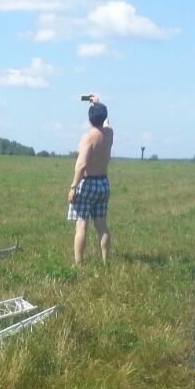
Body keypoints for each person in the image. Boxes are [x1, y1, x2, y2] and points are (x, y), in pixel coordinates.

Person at [67, 93, 113, 265]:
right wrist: (98, 104)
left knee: (81, 225)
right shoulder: (109, 134)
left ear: (89, 119)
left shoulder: (88, 138)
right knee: (101, 225)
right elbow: (107, 123)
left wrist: (73, 187)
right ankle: (106, 262)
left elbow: (82, 165)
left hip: (88, 184)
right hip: (103, 183)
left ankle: (79, 264)